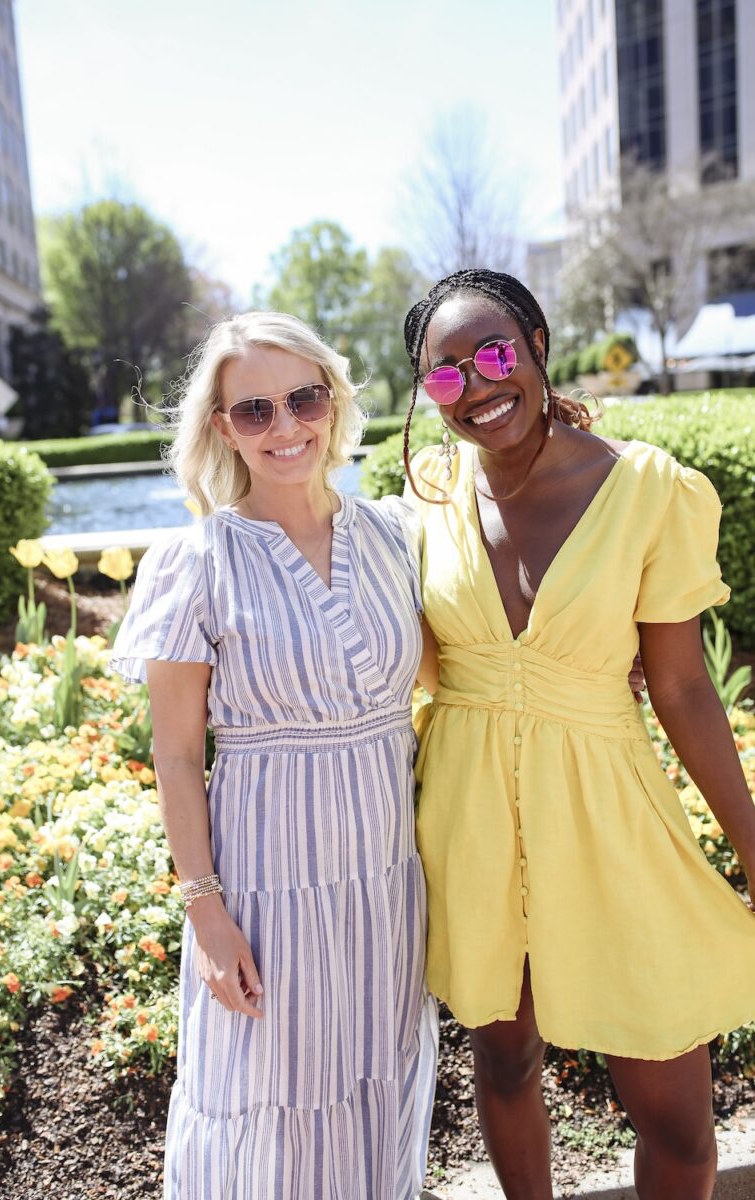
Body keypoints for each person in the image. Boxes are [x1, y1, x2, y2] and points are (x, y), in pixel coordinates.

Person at [401, 268, 755, 1200]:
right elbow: (409, 657)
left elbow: (681, 685)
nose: (476, 386)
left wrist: (753, 848)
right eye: (445, 374)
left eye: (493, 354)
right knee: (504, 1059)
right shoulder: (427, 494)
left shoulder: (648, 490)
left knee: (677, 1120)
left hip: (609, 820)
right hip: (473, 821)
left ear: (537, 345)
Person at [110, 311, 438, 1200]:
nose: (286, 426)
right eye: (254, 410)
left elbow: (463, 669)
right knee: (264, 1104)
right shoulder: (196, 561)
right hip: (267, 890)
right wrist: (206, 915)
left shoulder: (393, 535)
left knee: (375, 1084)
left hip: (385, 883)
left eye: (304, 399)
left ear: (334, 401)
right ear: (223, 428)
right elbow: (176, 754)